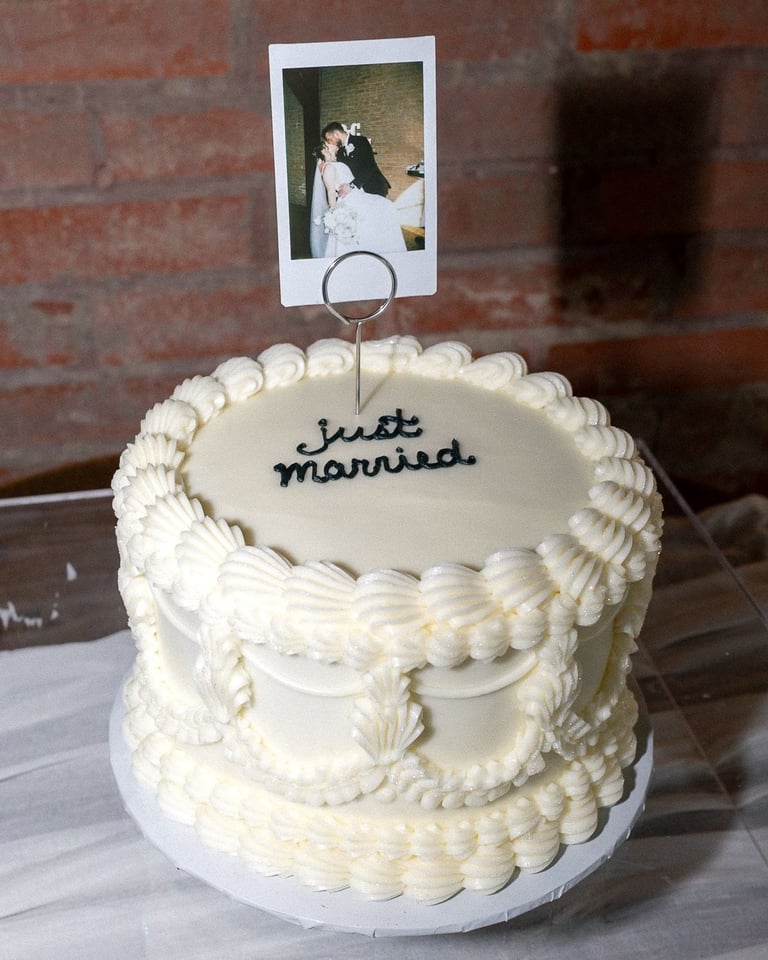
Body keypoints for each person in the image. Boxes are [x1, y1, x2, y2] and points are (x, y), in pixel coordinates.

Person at [309, 142, 405, 259]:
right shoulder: (328, 167)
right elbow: (331, 192)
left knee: (386, 206)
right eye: (328, 143)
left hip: (359, 195)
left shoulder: (338, 162)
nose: (333, 143)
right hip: (348, 201)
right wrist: (334, 213)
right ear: (324, 150)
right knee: (385, 207)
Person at [321, 121, 391, 197]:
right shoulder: (340, 152)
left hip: (374, 186)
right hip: (357, 192)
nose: (331, 143)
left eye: (330, 139)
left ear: (336, 134)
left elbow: (369, 166)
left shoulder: (361, 141)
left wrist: (352, 185)